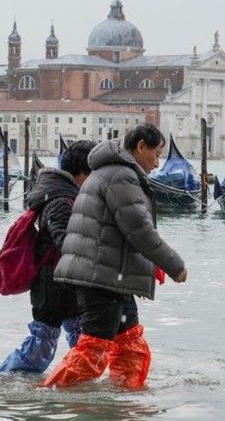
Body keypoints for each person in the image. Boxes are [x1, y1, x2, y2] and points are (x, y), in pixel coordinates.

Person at [44, 123, 187, 389]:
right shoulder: (121, 176)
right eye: (155, 154)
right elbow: (139, 230)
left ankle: (124, 404)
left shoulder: (114, 172)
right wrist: (174, 265)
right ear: (140, 146)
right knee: (92, 353)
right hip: (102, 278)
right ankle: (51, 400)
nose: (157, 163)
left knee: (131, 348)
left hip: (113, 277)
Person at [0, 140, 95, 373]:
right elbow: (66, 244)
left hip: (65, 284)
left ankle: (74, 382)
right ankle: (7, 378)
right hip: (52, 286)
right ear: (82, 172)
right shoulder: (61, 201)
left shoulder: (65, 196)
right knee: (40, 348)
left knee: (82, 344)